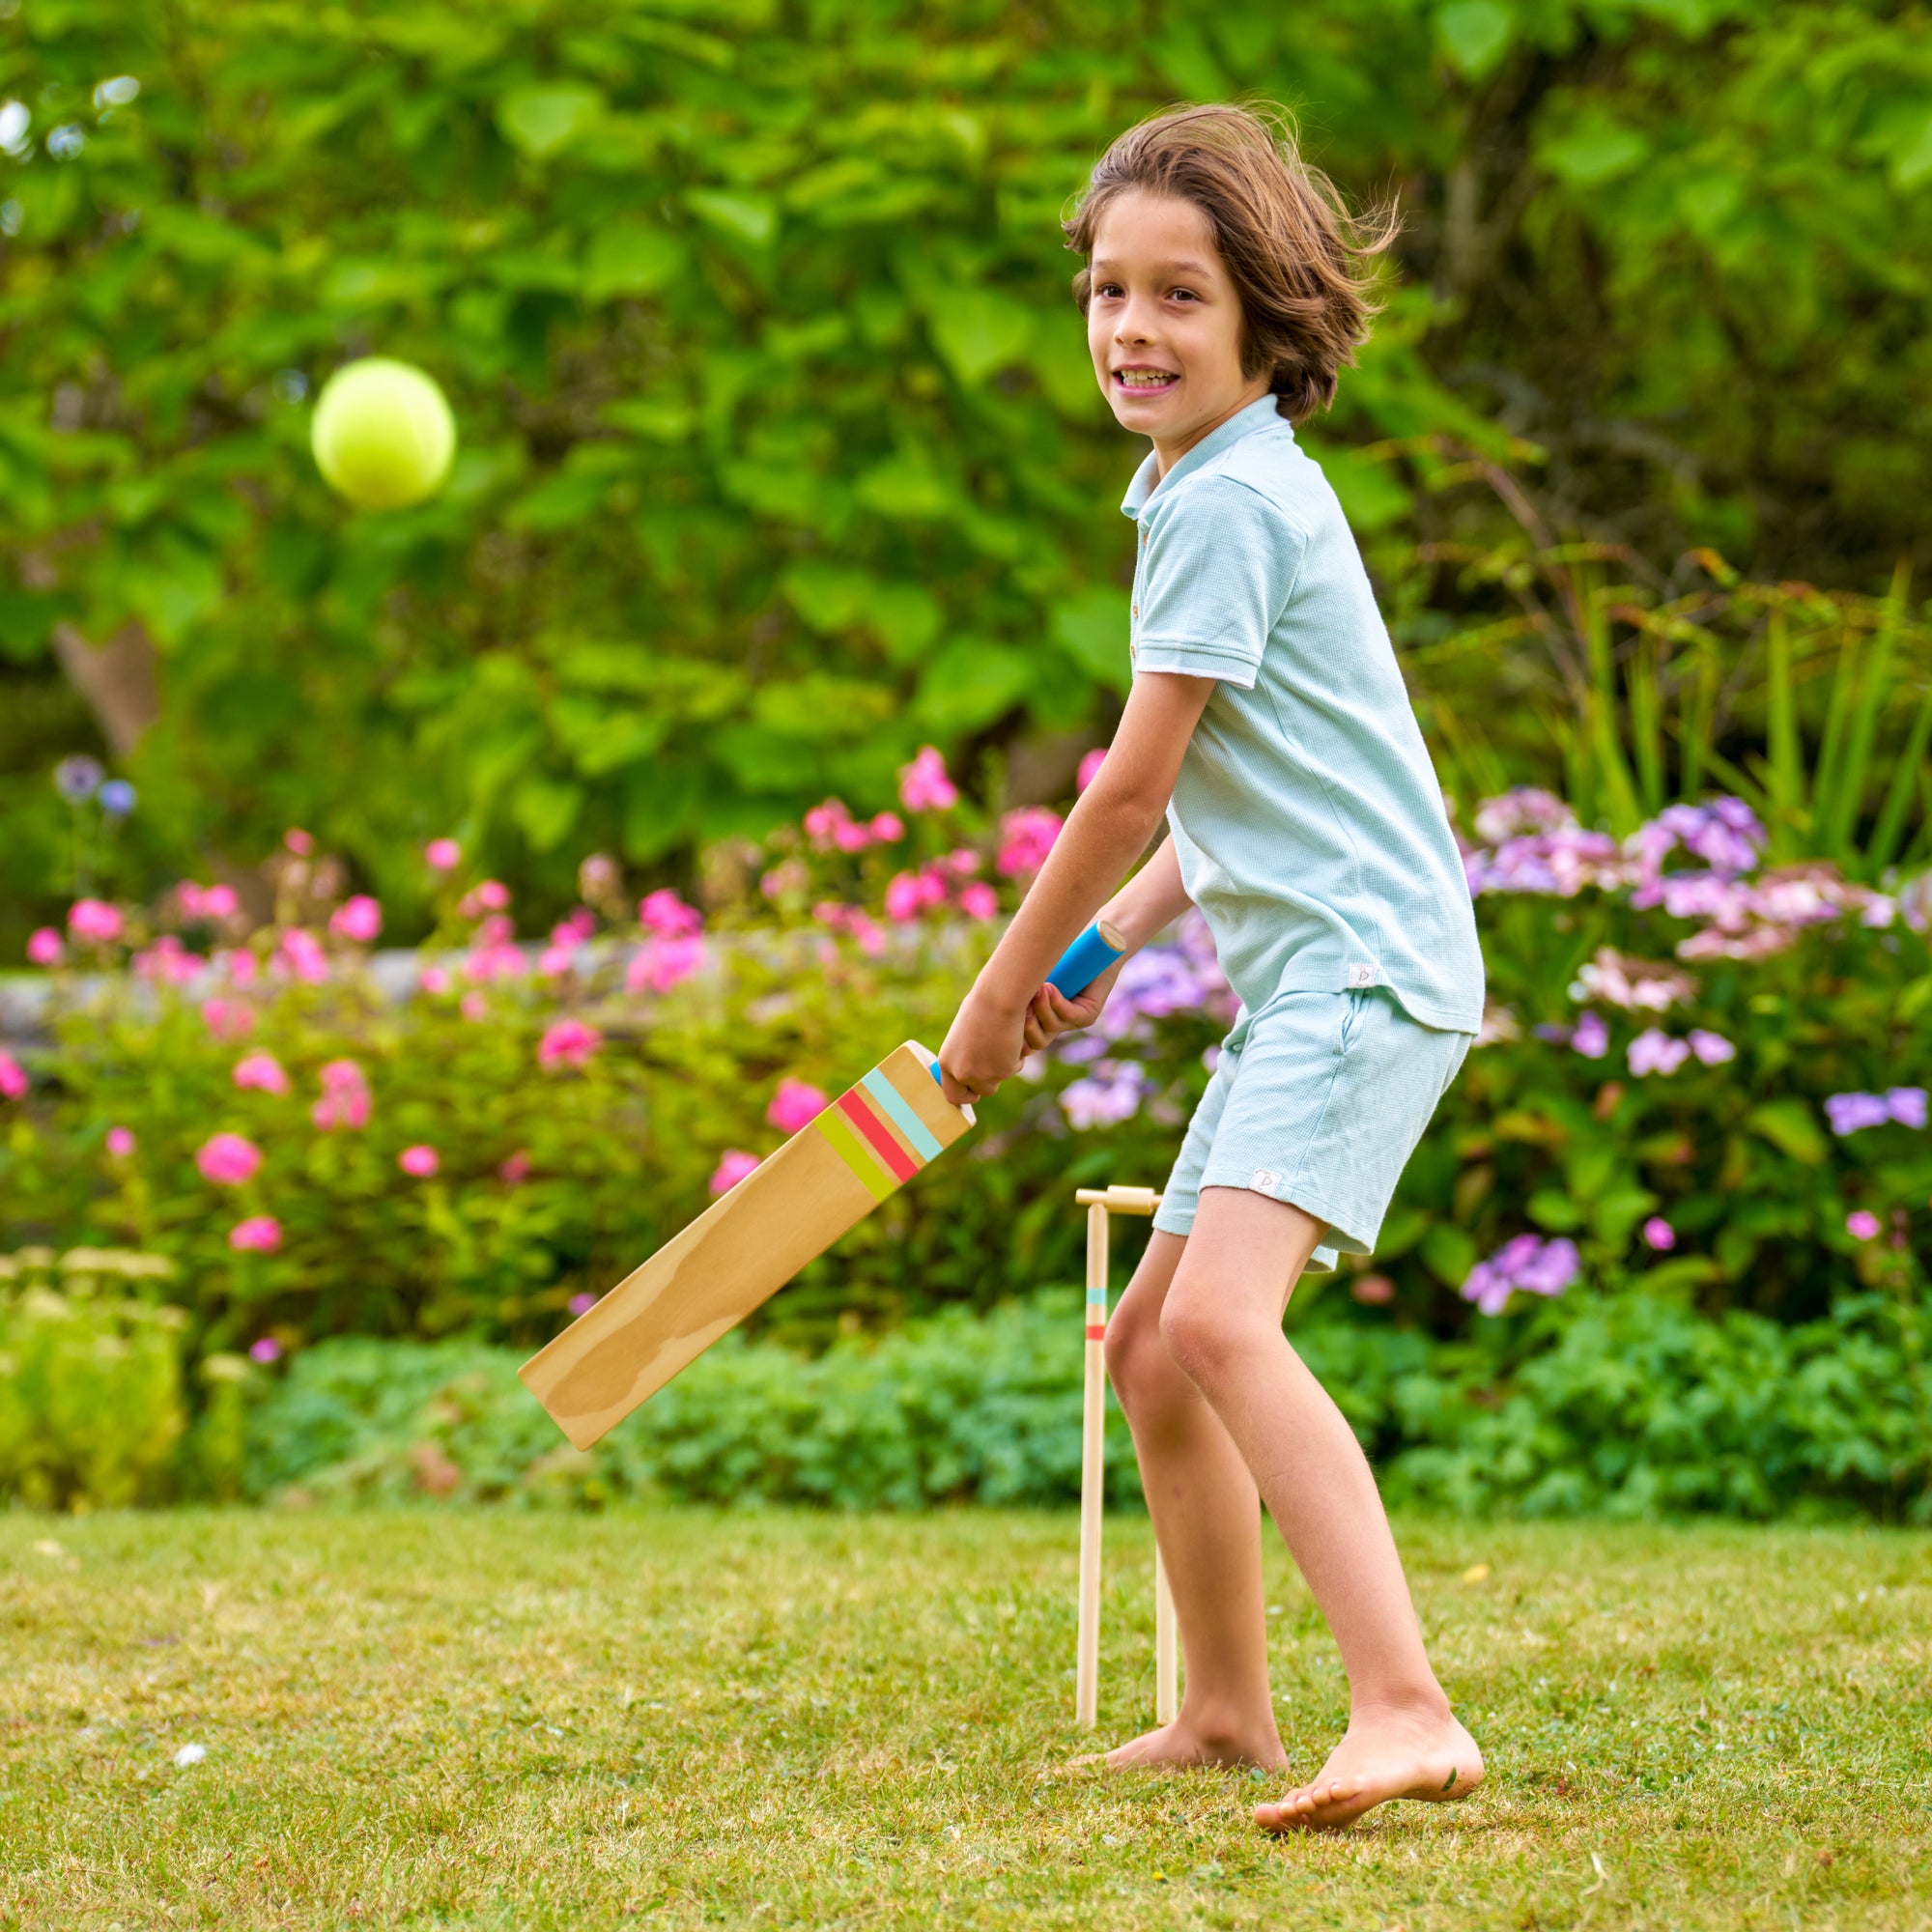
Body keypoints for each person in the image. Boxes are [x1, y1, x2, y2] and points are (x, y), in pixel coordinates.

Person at [935, 101, 1488, 1832]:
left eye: (1180, 296)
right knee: (1155, 1351)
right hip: (1318, 970)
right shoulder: (1199, 489)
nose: (1131, 328)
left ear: (1262, 319)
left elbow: (1129, 784)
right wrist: (1099, 949)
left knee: (1226, 1326)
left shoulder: (1232, 504)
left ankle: (1403, 1708)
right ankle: (1227, 1712)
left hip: (1360, 976)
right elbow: (1233, 805)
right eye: (1108, 289)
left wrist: (986, 997)